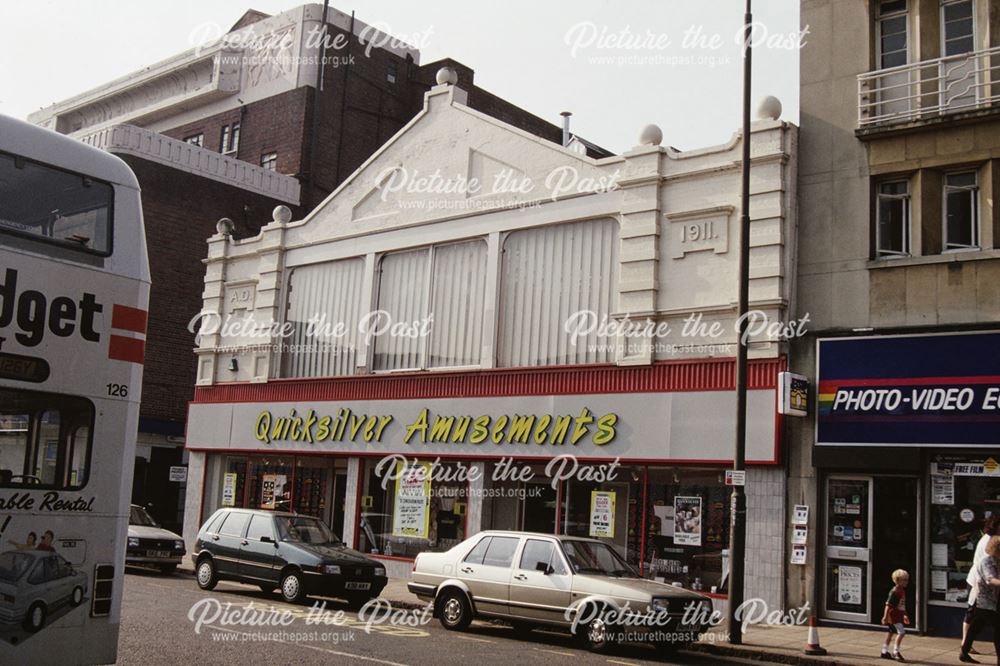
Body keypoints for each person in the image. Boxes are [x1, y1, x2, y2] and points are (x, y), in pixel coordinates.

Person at [960, 535, 1000, 664]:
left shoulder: (998, 560)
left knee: (975, 627)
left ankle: (964, 652)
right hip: (986, 601)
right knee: (998, 629)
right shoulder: (986, 562)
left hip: (993, 600)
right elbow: (990, 579)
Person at [881, 569, 910, 661]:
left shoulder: (902, 591)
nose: (907, 582)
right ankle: (895, 652)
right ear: (897, 580)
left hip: (898, 615)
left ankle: (884, 651)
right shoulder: (895, 591)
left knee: (890, 633)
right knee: (901, 632)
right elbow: (888, 605)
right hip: (894, 616)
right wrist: (885, 616)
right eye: (904, 580)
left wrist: (905, 615)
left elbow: (902, 605)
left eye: (907, 580)